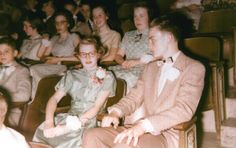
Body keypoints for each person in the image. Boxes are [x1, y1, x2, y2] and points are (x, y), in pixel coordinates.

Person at [82, 13, 206, 148]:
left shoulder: (193, 68)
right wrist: (115, 112)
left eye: (152, 39)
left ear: (169, 38)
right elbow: (134, 97)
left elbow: (183, 110)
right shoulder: (150, 68)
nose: (149, 45)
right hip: (141, 130)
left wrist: (144, 125)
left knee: (125, 145)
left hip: (169, 135)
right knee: (91, 135)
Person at [33, 36, 116, 147]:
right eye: (83, 54)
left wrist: (67, 128)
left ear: (98, 54)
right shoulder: (72, 75)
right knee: (44, 132)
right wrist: (49, 122)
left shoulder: (107, 76)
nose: (87, 57)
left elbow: (96, 108)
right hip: (70, 117)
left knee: (68, 141)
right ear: (78, 56)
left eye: (91, 53)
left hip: (89, 122)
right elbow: (54, 98)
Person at [30, 10, 80, 99]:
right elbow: (41, 56)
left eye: (62, 22)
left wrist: (59, 59)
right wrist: (45, 40)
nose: (58, 25)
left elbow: (80, 57)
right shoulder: (54, 38)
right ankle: (37, 98)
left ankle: (38, 98)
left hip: (67, 67)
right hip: (54, 66)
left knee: (34, 69)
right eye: (56, 23)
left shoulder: (74, 37)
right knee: (32, 69)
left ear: (68, 24)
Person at [109, 3, 151, 89]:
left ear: (149, 18)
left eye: (141, 16)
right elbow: (118, 55)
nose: (137, 19)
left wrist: (137, 62)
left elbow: (158, 56)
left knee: (126, 78)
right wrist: (123, 62)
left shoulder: (155, 35)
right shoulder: (128, 35)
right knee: (105, 74)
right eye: (135, 16)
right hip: (126, 67)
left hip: (144, 69)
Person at [0, 37, 31, 127]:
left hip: (10, 112)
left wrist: (2, 99)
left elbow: (24, 95)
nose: (2, 55)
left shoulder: (22, 70)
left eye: (6, 51)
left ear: (15, 53)